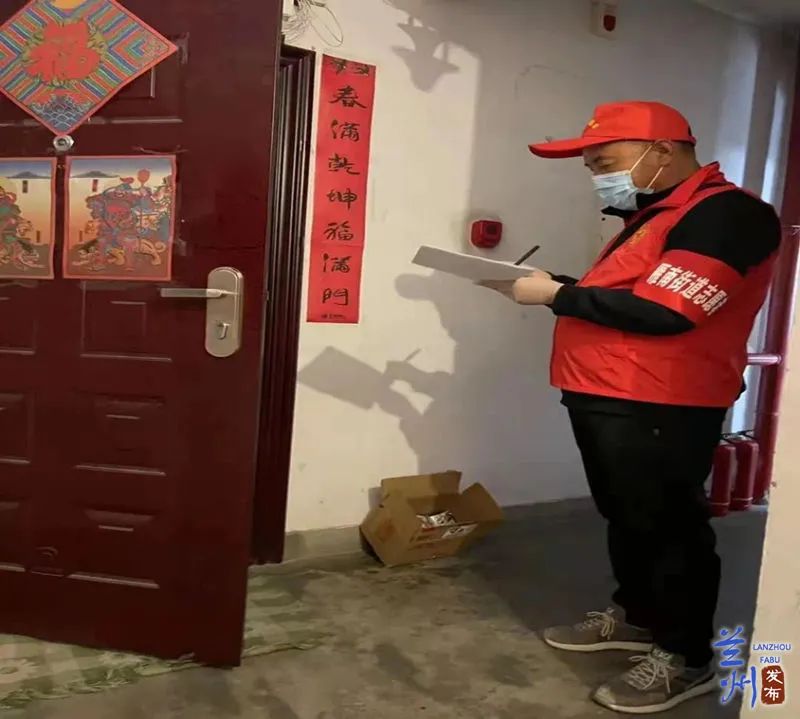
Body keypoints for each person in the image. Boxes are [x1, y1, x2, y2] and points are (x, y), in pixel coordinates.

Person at [482, 101, 781, 714]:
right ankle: (638, 616)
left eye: (607, 162)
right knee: (627, 515)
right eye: (592, 167)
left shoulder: (728, 215)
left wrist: (557, 296)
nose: (599, 177)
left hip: (664, 398)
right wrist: (557, 285)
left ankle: (686, 657)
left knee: (670, 528)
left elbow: (670, 312)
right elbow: (632, 296)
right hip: (610, 391)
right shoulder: (655, 215)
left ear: (663, 151)